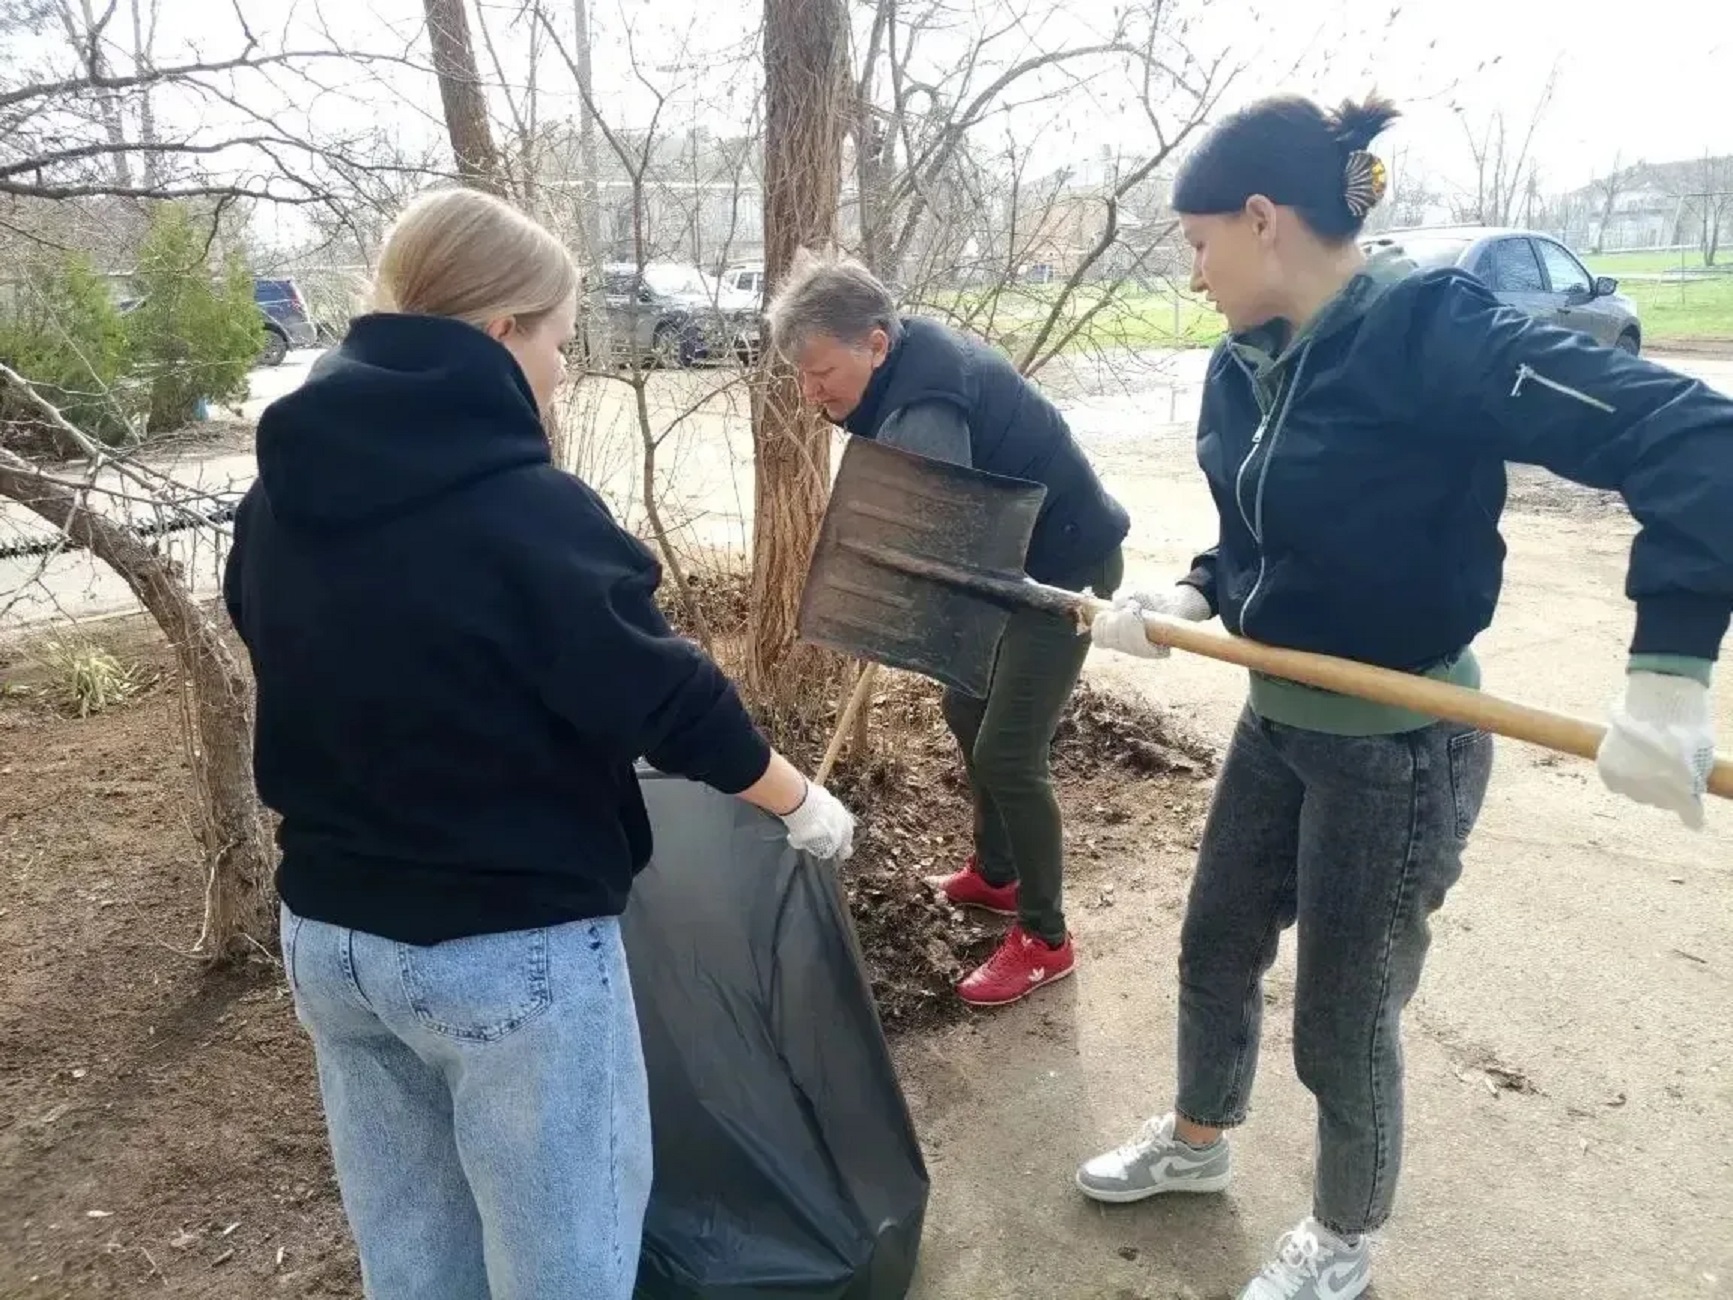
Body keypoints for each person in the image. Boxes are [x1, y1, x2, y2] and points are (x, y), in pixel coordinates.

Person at [1077, 93, 1730, 1300]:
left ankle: (1340, 1234)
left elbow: (1698, 440)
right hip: (1278, 715)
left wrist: (1667, 676)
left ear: (1262, 219)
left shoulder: (1434, 333)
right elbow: (1252, 534)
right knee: (1213, 942)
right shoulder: (1243, 363)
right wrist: (1186, 593)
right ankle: (1199, 1141)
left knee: (1343, 1011)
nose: (1190, 270)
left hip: (1397, 747)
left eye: (1195, 239)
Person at [222, 187, 856, 1299]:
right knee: (560, 1266)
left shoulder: (280, 494)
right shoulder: (525, 509)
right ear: (500, 330)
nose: (564, 369)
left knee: (415, 1256)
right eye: (560, 340)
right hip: (501, 951)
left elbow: (288, 643)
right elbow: (665, 696)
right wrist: (795, 798)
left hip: (331, 939)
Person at [765, 252, 1130, 1007]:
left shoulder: (926, 403)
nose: (809, 393)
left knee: (1008, 748)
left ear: (875, 342)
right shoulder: (895, 369)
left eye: (820, 372)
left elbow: (928, 529)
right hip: (1002, 561)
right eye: (798, 376)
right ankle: (996, 877)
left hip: (1059, 575)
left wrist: (872, 604)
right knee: (964, 702)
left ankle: (1045, 939)